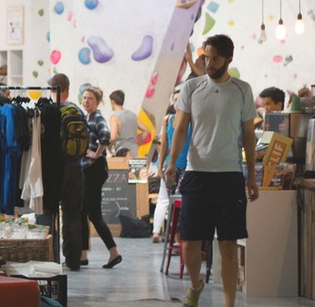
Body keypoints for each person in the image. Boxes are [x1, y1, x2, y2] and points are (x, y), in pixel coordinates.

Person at [165, 34, 258, 307]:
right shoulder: (192, 87)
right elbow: (180, 128)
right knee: (190, 242)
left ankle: (229, 304)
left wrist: (251, 176)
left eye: (215, 58)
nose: (209, 63)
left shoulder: (242, 89)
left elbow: (249, 135)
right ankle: (195, 285)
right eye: (206, 57)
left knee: (228, 244)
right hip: (196, 173)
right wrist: (171, 162)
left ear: (229, 58)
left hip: (229, 175)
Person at [79, 86, 122, 269]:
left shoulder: (97, 118)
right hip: (87, 170)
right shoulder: (86, 117)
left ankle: (114, 252)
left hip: (94, 170)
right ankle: (83, 255)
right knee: (83, 213)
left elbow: (106, 136)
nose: (86, 101)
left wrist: (96, 154)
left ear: (97, 102)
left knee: (94, 215)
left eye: (90, 99)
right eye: (85, 98)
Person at [48, 73, 85, 271]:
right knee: (73, 217)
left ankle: (51, 259)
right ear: (68, 89)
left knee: (50, 215)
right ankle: (73, 260)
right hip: (76, 168)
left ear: (52, 89)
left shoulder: (52, 112)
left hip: (56, 170)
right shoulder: (77, 111)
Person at [152, 89, 191, 244]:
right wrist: (160, 166)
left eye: (180, 99)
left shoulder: (192, 120)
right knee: (171, 203)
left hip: (187, 167)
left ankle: (181, 239)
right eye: (175, 100)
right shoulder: (168, 119)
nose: (178, 103)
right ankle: (173, 237)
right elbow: (164, 145)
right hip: (171, 165)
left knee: (184, 202)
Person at [108, 89, 147, 157]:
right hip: (134, 152)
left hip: (122, 152)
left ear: (112, 102)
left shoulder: (114, 117)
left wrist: (109, 147)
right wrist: (137, 144)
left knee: (120, 167)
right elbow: (146, 130)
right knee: (136, 167)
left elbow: (113, 137)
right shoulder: (133, 115)